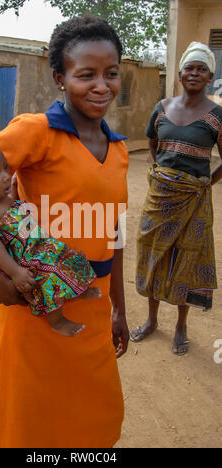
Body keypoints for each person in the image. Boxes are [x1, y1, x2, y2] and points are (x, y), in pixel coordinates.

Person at [0, 15, 129, 448]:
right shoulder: (37, 131)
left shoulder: (118, 147)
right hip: (33, 304)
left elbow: (115, 231)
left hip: (91, 305)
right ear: (60, 77)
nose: (101, 86)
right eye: (85, 74)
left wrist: (119, 308)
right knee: (27, 422)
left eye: (111, 73)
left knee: (92, 418)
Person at [0, 130, 101, 337]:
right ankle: (56, 321)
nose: (6, 176)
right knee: (47, 277)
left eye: (5, 168)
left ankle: (78, 289)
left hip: (38, 243)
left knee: (71, 257)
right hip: (24, 257)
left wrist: (14, 191)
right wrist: (15, 272)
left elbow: (13, 208)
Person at [130, 42, 222, 356]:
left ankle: (181, 325)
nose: (194, 73)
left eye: (202, 69)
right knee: (152, 254)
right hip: (160, 197)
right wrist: (158, 170)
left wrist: (205, 183)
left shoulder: (216, 116)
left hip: (194, 201)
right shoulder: (162, 107)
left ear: (210, 76)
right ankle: (152, 319)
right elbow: (153, 143)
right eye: (189, 68)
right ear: (180, 74)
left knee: (185, 261)